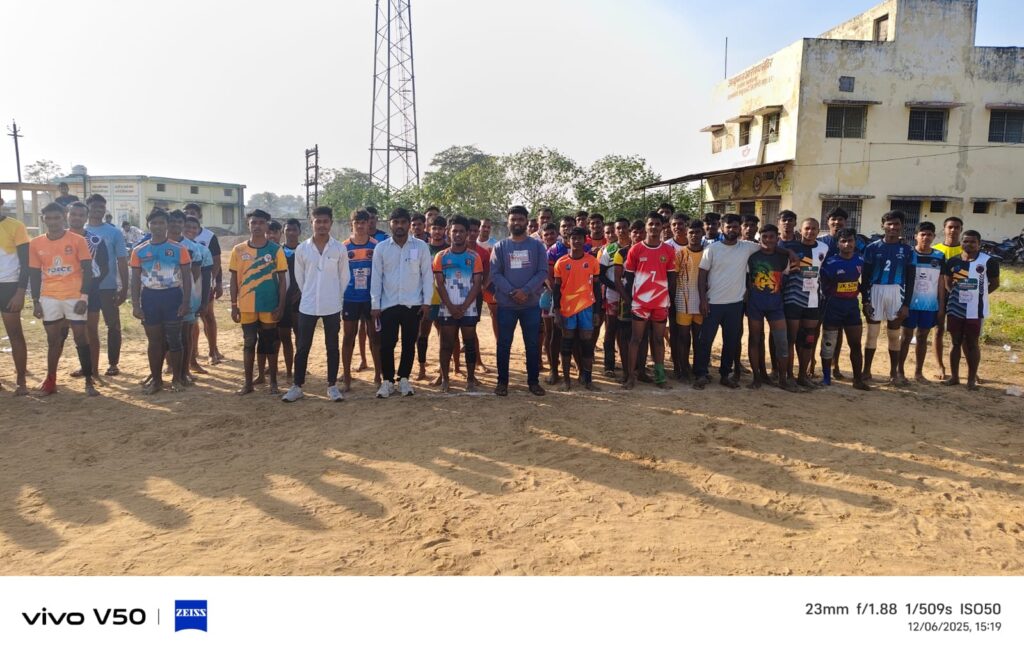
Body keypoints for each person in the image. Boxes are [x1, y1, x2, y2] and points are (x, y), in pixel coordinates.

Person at [281, 207, 349, 403]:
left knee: (332, 346)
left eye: (325, 221)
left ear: (331, 223)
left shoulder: (339, 249)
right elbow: (300, 278)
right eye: (317, 221)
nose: (321, 225)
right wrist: (309, 294)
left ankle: (332, 386)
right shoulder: (303, 249)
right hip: (308, 306)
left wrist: (334, 297)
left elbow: (344, 277)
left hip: (332, 306)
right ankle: (297, 386)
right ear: (311, 223)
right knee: (303, 346)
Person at [28, 203, 96, 396]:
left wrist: (84, 297)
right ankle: (50, 381)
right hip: (49, 297)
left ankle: (89, 381)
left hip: (74, 296)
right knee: (53, 340)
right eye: (48, 218)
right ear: (43, 219)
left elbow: (88, 270)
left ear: (64, 217)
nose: (53, 222)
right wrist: (36, 301)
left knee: (80, 337)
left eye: (57, 218)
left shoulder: (78, 240)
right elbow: (34, 274)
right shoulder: (36, 243)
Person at [694, 214, 763, 389]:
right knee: (705, 341)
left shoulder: (747, 247)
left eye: (735, 226)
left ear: (740, 228)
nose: (732, 230)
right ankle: (701, 374)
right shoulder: (712, 249)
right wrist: (703, 299)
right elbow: (702, 276)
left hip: (735, 304)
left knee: (731, 341)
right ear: (722, 228)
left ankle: (725, 375)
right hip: (713, 303)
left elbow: (769, 247)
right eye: (728, 227)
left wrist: (789, 252)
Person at [370, 208, 433, 398]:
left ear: (408, 224)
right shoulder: (381, 248)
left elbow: (427, 275)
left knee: (409, 343)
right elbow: (376, 278)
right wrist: (375, 304)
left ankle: (404, 378)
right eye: (395, 222)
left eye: (403, 222)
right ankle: (388, 381)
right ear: (390, 224)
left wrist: (426, 302)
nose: (399, 226)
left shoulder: (420, 247)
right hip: (388, 304)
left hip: (412, 304)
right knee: (387, 344)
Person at [130, 208, 192, 394]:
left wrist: (186, 302)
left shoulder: (179, 249)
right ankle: (156, 381)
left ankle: (177, 379)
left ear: (167, 225)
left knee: (175, 340)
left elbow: (187, 277)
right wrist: (136, 305)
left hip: (173, 297)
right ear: (148, 225)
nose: (158, 226)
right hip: (150, 298)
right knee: (154, 341)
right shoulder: (139, 251)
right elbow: (135, 280)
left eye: (161, 223)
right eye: (154, 223)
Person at [490, 205, 549, 396]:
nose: (516, 223)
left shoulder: (537, 246)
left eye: (520, 219)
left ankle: (533, 382)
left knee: (532, 344)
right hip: (507, 305)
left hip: (530, 305)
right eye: (513, 219)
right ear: (508, 222)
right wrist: (512, 292)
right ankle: (502, 382)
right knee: (503, 344)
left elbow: (543, 272)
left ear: (526, 221)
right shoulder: (500, 247)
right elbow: (495, 274)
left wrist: (525, 291)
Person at [230, 209, 288, 395]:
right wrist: (234, 306)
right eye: (253, 222)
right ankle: (248, 384)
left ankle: (273, 383)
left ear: (266, 225)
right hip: (246, 306)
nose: (257, 226)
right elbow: (233, 280)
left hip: (269, 305)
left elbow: (282, 281)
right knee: (249, 343)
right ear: (248, 224)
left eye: (261, 222)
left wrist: (281, 305)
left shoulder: (275, 250)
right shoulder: (238, 250)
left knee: (269, 343)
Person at [72, 194, 128, 379]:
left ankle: (113, 363)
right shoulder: (78, 231)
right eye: (94, 206)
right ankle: (87, 365)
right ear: (87, 209)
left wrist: (124, 288)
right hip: (82, 289)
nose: (98, 210)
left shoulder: (114, 232)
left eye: (102, 207)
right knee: (85, 329)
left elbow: (121, 260)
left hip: (107, 286)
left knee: (113, 325)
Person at [622, 213, 676, 389]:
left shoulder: (668, 250)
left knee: (658, 340)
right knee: (636, 339)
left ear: (662, 227)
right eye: (651, 224)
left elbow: (671, 278)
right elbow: (629, 278)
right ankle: (631, 377)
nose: (654, 227)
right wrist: (632, 300)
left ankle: (660, 378)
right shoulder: (636, 249)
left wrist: (668, 299)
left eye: (657, 224)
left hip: (660, 303)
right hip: (641, 303)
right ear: (646, 226)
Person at [861, 211, 914, 384]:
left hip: (896, 292)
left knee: (893, 334)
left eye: (896, 224)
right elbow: (865, 277)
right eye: (889, 224)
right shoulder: (872, 248)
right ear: (882, 225)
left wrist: (906, 304)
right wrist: (865, 300)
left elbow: (911, 279)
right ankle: (866, 371)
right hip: (875, 290)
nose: (893, 227)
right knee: (872, 334)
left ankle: (893, 373)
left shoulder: (908, 250)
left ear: (902, 226)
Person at [942, 230, 999, 391]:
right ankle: (954, 377)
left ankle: (971, 380)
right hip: (955, 308)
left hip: (975, 310)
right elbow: (947, 283)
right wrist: (956, 295)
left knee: (972, 343)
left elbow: (995, 284)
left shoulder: (988, 261)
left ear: (979, 244)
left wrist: (978, 295)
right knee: (955, 342)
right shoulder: (953, 261)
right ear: (961, 243)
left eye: (973, 242)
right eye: (966, 241)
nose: (969, 244)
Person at [744, 224, 798, 391]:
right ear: (760, 238)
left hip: (776, 305)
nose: (768, 240)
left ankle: (782, 379)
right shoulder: (751, 257)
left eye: (771, 237)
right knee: (755, 339)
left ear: (777, 238)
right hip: (755, 305)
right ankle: (756, 377)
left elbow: (788, 278)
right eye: (764, 237)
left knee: (782, 341)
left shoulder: (783, 258)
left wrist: (789, 252)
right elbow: (746, 281)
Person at [432, 216, 483, 393]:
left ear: (467, 233)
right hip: (447, 308)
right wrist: (451, 307)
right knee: (446, 344)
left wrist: (463, 306)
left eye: (462, 231)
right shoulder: (441, 257)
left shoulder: (474, 257)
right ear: (448, 232)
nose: (458, 234)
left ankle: (470, 379)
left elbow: (477, 284)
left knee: (469, 344)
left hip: (468, 308)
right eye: (455, 231)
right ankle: (445, 379)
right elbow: (439, 284)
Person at [819, 228, 871, 391]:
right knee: (829, 344)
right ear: (838, 244)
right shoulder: (830, 263)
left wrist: (866, 301)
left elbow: (863, 284)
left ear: (855, 242)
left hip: (852, 308)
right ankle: (826, 378)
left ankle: (858, 380)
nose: (847, 244)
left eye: (850, 241)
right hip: (833, 307)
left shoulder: (860, 260)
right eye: (843, 241)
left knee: (855, 344)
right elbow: (823, 287)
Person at [781, 217, 829, 388]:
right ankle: (789, 376)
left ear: (818, 231)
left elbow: (822, 272)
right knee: (791, 339)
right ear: (800, 230)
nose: (810, 232)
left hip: (813, 300)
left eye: (814, 228)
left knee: (808, 340)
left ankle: (803, 376)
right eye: (807, 228)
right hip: (792, 298)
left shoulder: (824, 248)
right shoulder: (790, 247)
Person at [552, 227, 602, 391]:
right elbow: (556, 289)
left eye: (580, 238)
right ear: (568, 241)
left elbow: (596, 288)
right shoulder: (561, 263)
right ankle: (567, 380)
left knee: (587, 345)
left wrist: (597, 311)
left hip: (586, 308)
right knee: (566, 344)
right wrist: (557, 311)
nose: (577, 241)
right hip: (567, 309)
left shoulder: (592, 261)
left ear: (585, 240)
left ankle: (588, 380)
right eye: (573, 238)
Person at [66, 202, 110, 380]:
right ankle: (85, 366)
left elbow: (105, 268)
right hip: (66, 291)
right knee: (77, 331)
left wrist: (90, 283)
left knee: (91, 330)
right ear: (68, 215)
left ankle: (94, 370)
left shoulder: (95, 240)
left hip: (91, 291)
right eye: (73, 214)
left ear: (86, 217)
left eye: (81, 215)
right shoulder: (59, 237)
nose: (76, 218)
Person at [899, 222, 945, 384]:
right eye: (922, 234)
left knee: (922, 337)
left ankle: (918, 372)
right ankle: (900, 371)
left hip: (929, 305)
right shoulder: (908, 254)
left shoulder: (939, 256)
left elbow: (941, 282)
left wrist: (941, 306)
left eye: (929, 234)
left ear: (934, 237)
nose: (926, 237)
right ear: (916, 236)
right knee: (906, 337)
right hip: (909, 303)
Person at [342, 209, 381, 390]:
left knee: (375, 337)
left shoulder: (376, 246)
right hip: (350, 298)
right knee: (348, 337)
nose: (360, 226)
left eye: (363, 222)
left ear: (368, 224)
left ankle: (378, 376)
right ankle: (347, 376)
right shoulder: (343, 247)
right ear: (351, 224)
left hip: (370, 299)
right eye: (356, 222)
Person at [183, 203, 225, 365]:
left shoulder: (209, 236)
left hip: (205, 283)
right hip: (186, 285)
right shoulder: (179, 236)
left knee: (207, 316)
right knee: (190, 320)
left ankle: (213, 351)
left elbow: (216, 261)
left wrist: (216, 282)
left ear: (199, 216)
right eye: (187, 212)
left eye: (193, 212)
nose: (190, 214)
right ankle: (193, 351)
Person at [0, 196, 31, 394]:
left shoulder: (16, 226)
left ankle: (21, 380)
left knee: (15, 334)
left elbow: (26, 264)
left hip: (9, 287)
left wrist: (20, 292)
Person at [416, 215, 452, 381]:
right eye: (434, 228)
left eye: (440, 228)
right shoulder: (422, 249)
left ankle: (443, 371)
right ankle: (422, 368)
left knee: (444, 335)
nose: (437, 231)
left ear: (445, 230)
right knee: (422, 334)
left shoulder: (450, 250)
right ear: (428, 230)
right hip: (427, 298)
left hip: (445, 297)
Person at [181, 215, 214, 380]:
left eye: (194, 228)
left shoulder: (202, 250)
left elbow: (207, 277)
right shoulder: (171, 246)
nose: (191, 230)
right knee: (170, 332)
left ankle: (191, 362)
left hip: (193, 295)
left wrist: (205, 301)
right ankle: (171, 364)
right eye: (187, 226)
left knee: (189, 332)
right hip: (171, 295)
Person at [673, 219, 705, 382]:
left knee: (699, 338)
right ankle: (683, 369)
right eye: (691, 232)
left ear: (702, 233)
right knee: (683, 338)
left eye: (697, 232)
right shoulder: (680, 254)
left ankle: (699, 369)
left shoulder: (708, 253)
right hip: (683, 301)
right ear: (687, 233)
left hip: (702, 302)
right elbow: (673, 278)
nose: (694, 235)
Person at [931, 216, 963, 380]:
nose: (953, 230)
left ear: (961, 230)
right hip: (938, 295)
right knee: (938, 330)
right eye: (950, 227)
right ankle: (940, 366)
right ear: (944, 229)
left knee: (959, 334)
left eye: (957, 227)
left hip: (959, 297)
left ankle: (964, 369)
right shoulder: (935, 250)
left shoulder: (965, 251)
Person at [598, 217, 630, 377]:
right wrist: (615, 287)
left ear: (629, 229)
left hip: (632, 296)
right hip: (613, 296)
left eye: (624, 227)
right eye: (619, 228)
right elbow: (600, 274)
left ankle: (631, 365)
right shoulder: (609, 249)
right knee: (611, 329)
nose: (621, 231)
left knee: (629, 331)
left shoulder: (635, 248)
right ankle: (609, 365)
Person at [538, 223, 561, 377]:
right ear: (542, 237)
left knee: (561, 331)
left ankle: (558, 361)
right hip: (546, 294)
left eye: (552, 233)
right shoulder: (540, 251)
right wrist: (553, 289)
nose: (549, 237)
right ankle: (551, 363)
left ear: (556, 234)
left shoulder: (561, 249)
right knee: (549, 331)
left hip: (562, 295)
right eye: (546, 235)